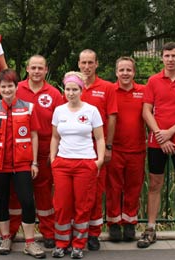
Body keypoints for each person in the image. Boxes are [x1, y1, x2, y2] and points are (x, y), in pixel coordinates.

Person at [137, 42, 175, 250]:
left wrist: (170, 132)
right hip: (157, 140)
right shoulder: (153, 80)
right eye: (166, 56)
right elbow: (146, 111)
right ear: (162, 58)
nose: (170, 59)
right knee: (154, 184)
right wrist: (160, 135)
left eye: (174, 55)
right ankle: (151, 228)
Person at [0, 69, 46, 259]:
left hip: (22, 164)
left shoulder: (28, 107)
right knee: (1, 200)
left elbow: (34, 135)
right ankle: (5, 238)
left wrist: (34, 162)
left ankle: (30, 242)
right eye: (3, 86)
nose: (7, 89)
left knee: (27, 201)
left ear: (16, 87)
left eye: (10, 86)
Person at [8, 55, 63, 248]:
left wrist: (54, 151)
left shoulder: (55, 94)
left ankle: (48, 232)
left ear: (46, 70)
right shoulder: (16, 89)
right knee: (16, 192)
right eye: (33, 68)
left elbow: (60, 124)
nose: (37, 71)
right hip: (19, 148)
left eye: (40, 68)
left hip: (45, 148)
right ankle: (11, 231)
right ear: (27, 69)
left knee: (44, 192)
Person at [50, 71, 105, 259]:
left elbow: (99, 138)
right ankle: (61, 243)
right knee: (63, 205)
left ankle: (78, 244)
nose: (71, 93)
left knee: (82, 205)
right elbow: (55, 137)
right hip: (63, 163)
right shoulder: (59, 111)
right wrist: (52, 158)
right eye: (67, 89)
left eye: (74, 89)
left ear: (81, 90)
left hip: (85, 163)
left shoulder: (91, 111)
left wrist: (98, 161)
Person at [78, 49, 118, 250]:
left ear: (96, 64)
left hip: (97, 148)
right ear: (78, 64)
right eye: (83, 62)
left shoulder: (107, 87)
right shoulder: (72, 86)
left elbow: (111, 118)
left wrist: (108, 147)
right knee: (77, 194)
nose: (86, 66)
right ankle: (77, 233)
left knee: (95, 192)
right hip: (75, 151)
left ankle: (93, 234)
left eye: (90, 62)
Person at [105, 57, 146, 241]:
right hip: (116, 149)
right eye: (121, 70)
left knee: (133, 187)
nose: (125, 73)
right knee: (113, 187)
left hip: (137, 148)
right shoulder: (110, 90)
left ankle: (130, 223)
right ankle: (114, 223)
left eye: (128, 70)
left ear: (134, 72)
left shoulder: (143, 91)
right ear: (116, 72)